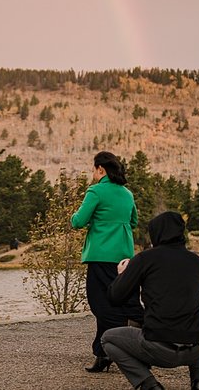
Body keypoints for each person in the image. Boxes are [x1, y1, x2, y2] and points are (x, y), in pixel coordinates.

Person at [102, 211, 199, 390]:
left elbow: (115, 297)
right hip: (198, 347)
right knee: (190, 320)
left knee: (108, 339)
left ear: (156, 234)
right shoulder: (197, 262)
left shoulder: (145, 259)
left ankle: (149, 385)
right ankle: (198, 381)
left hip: (161, 348)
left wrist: (123, 274)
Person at [71, 151, 144, 373]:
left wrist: (92, 220)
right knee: (123, 299)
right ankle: (105, 353)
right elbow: (133, 221)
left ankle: (113, 347)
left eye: (94, 169)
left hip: (101, 255)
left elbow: (78, 221)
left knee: (100, 303)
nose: (93, 174)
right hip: (124, 256)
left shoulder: (96, 191)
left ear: (101, 169)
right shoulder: (127, 194)